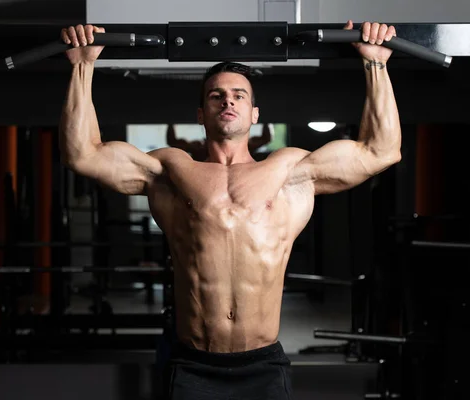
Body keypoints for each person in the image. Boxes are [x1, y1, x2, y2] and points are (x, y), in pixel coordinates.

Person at [58, 20, 401, 400]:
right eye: (216, 95)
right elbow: (82, 153)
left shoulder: (289, 172)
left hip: (264, 366)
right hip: (193, 365)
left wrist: (376, 64)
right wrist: (83, 64)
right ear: (201, 114)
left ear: (255, 114)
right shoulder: (171, 171)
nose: (228, 101)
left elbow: (381, 151)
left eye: (239, 95)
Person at [166, 122, 273, 161]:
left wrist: (171, 120)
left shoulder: (199, 149)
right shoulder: (200, 150)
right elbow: (266, 139)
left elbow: (172, 142)